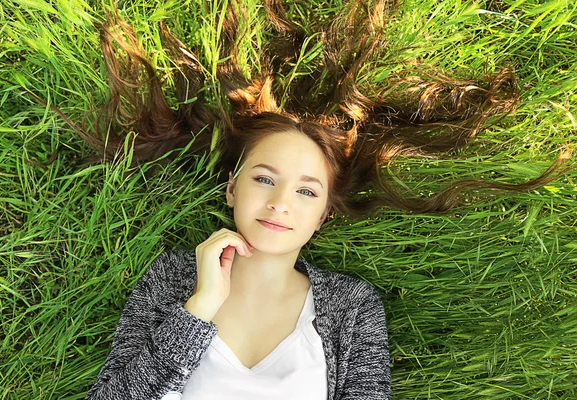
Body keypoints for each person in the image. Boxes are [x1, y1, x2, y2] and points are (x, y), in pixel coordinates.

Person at [78, 1, 569, 399]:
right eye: (264, 179)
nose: (281, 203)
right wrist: (200, 307)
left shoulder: (351, 307)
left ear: (323, 215)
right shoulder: (172, 279)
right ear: (232, 187)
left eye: (306, 191)